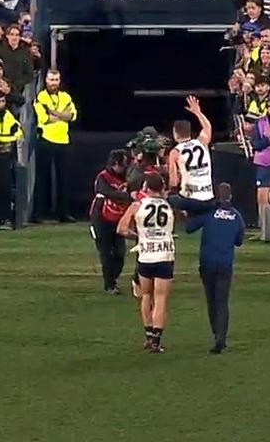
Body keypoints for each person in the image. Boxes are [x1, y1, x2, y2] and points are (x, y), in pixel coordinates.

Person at [171, 184, 245, 354]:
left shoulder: (209, 213)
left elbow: (189, 228)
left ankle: (215, 334)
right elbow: (239, 241)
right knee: (222, 301)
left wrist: (187, 214)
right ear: (231, 197)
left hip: (207, 262)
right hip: (225, 263)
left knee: (211, 300)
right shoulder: (237, 216)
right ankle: (221, 338)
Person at [119, 172, 176, 353]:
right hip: (165, 254)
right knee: (160, 299)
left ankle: (149, 336)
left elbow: (121, 229)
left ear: (146, 187)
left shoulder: (137, 206)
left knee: (146, 296)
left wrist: (138, 237)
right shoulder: (169, 206)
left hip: (146, 256)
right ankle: (157, 341)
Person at [32, 69, 77, 222]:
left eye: (56, 80)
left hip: (63, 140)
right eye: (51, 80)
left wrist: (54, 112)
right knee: (42, 178)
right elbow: (44, 118)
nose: (53, 83)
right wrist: (61, 114)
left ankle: (63, 213)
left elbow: (72, 116)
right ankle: (38, 214)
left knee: (63, 179)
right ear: (46, 80)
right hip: (46, 139)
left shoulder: (66, 96)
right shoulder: (41, 97)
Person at [90, 149, 133, 295]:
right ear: (115, 164)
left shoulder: (127, 177)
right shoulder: (103, 177)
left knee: (120, 254)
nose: (125, 167)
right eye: (123, 164)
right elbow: (106, 192)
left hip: (118, 220)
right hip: (101, 219)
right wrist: (125, 196)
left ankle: (112, 278)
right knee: (106, 253)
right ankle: (109, 284)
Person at [168, 96, 213, 202]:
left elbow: (173, 182)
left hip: (189, 198)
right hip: (208, 196)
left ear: (175, 133)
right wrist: (198, 112)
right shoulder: (202, 142)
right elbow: (207, 127)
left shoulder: (175, 152)